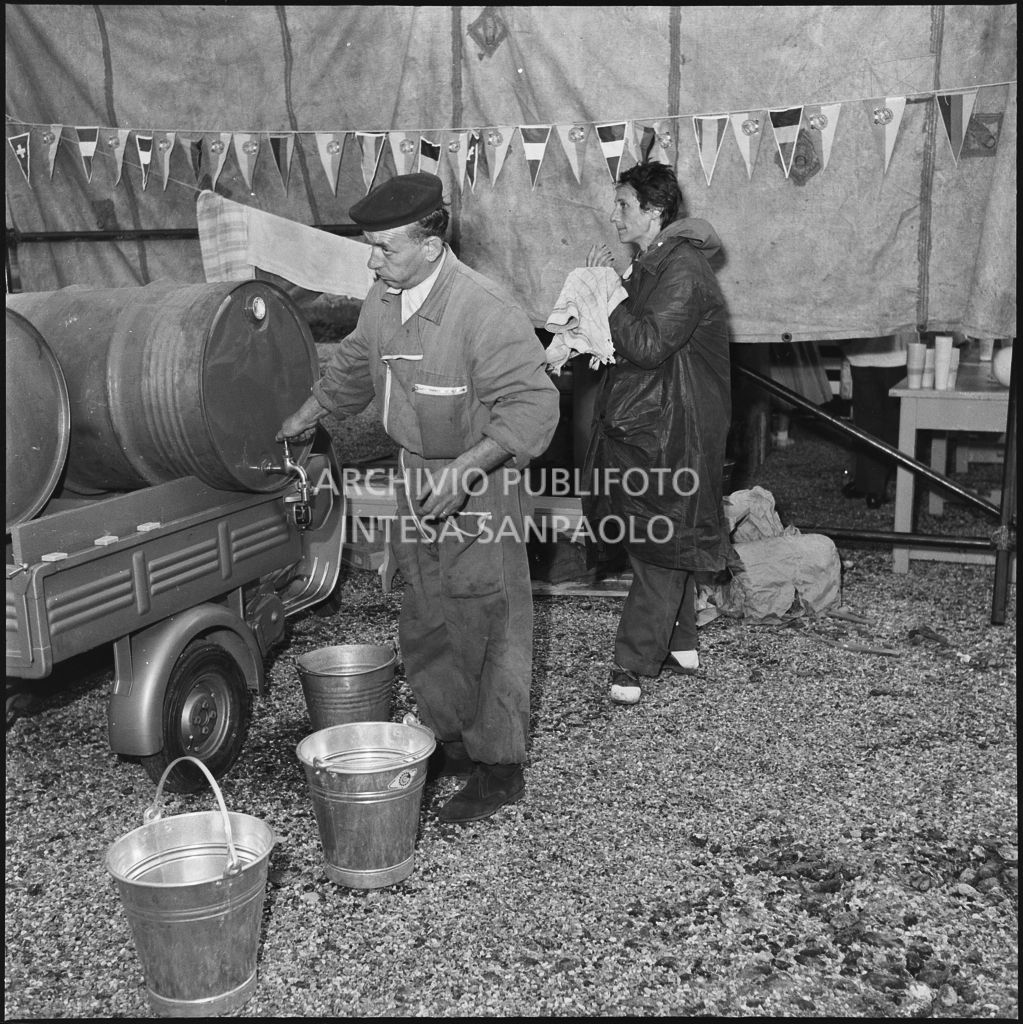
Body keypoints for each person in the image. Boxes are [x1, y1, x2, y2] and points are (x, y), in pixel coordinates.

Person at [277, 173, 560, 823]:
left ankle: (498, 767)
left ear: (432, 245)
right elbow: (352, 366)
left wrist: (464, 469)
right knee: (426, 614)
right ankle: (450, 737)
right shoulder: (384, 298)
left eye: (386, 248)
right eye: (370, 248)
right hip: (413, 479)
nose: (373, 261)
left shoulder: (484, 311)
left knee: (486, 623)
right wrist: (307, 413)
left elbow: (533, 409)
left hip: (478, 486)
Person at [583, 162, 732, 706]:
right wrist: (614, 286)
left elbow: (645, 344)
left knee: (660, 540)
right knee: (672, 527)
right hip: (660, 419)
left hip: (678, 424)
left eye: (623, 204)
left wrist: (608, 291)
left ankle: (632, 663)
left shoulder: (684, 269)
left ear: (653, 211)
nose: (614, 213)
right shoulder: (658, 261)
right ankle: (682, 643)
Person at [839, 332, 911, 508]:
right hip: (894, 354)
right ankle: (873, 486)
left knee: (867, 421)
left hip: (862, 353)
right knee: (890, 422)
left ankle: (870, 483)